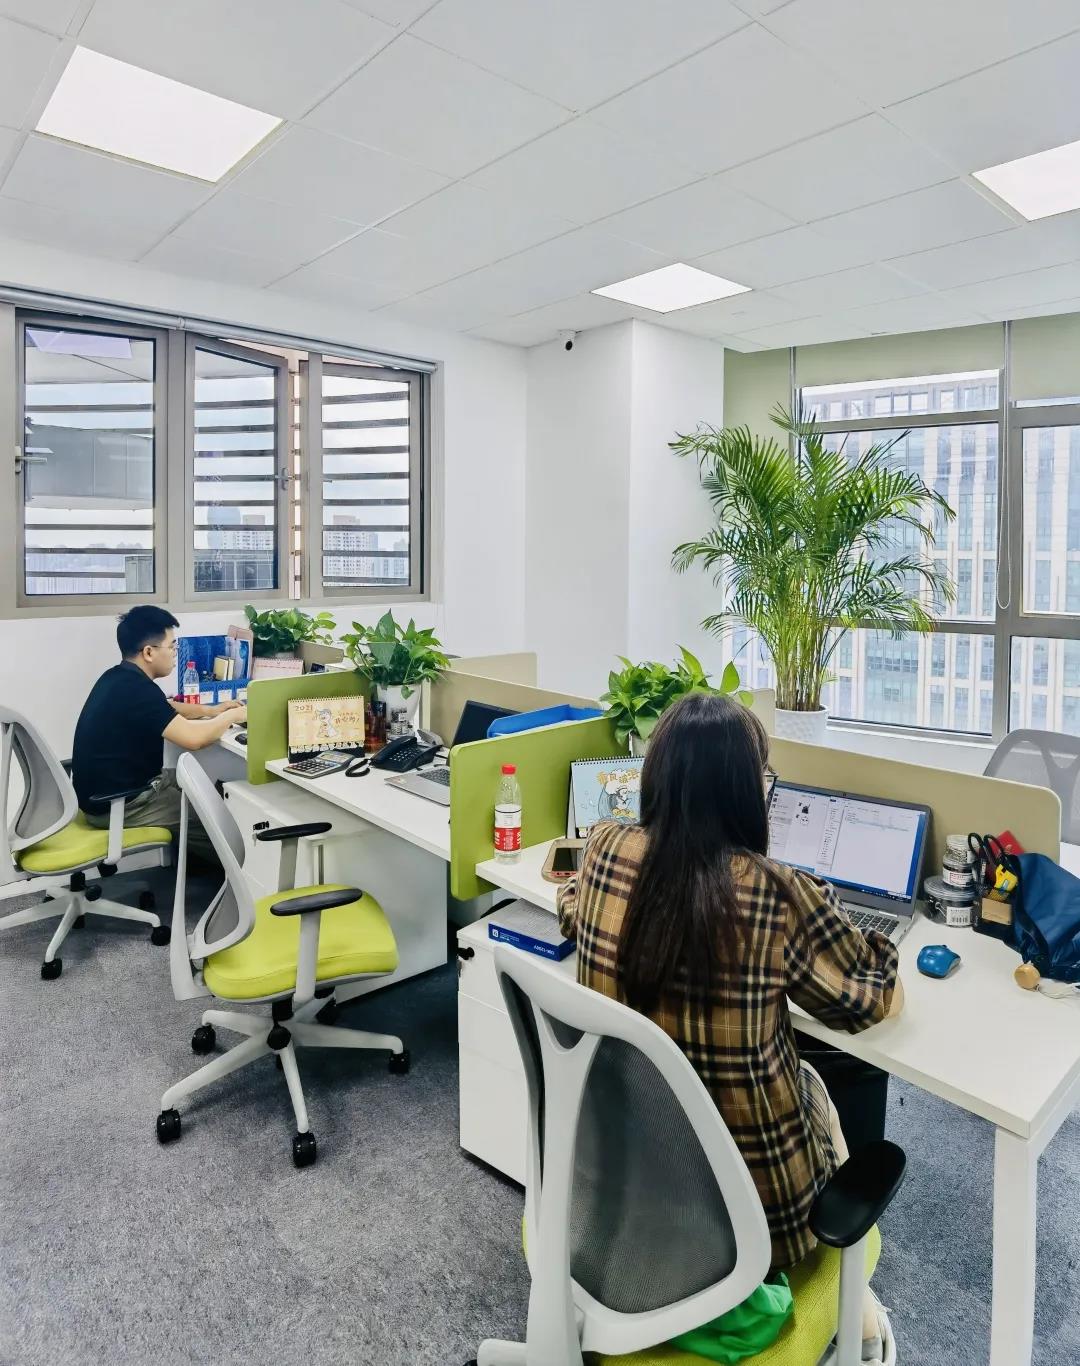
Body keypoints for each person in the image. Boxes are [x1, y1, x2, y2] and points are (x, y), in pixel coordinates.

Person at [557, 691, 903, 1364]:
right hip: (751, 1220)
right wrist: (874, 942)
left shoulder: (602, 848)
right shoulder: (777, 891)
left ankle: (854, 1304)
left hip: (616, 1182)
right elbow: (868, 996)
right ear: (748, 789)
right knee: (822, 1078)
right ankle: (855, 1300)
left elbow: (572, 910)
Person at [72, 606, 246, 857]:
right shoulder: (139, 691)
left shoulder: (116, 678)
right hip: (123, 803)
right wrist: (235, 716)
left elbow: (166, 707)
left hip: (102, 795)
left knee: (201, 783)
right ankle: (236, 874)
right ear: (149, 652)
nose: (175, 653)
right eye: (172, 647)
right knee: (221, 821)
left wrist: (212, 711)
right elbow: (194, 739)